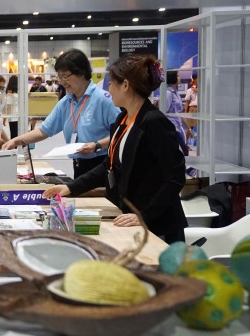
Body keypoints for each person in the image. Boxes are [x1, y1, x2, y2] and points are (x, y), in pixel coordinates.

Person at [44, 54, 187, 244]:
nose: (108, 90)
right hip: (130, 219)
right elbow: (109, 166)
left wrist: (145, 215)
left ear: (125, 85)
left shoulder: (154, 122)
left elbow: (175, 177)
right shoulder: (123, 119)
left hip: (156, 226)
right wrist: (71, 187)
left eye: (111, 84)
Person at [3, 49, 121, 178]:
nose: (62, 81)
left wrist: (97, 145)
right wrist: (15, 141)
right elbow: (43, 131)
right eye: (60, 77)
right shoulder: (66, 102)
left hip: (103, 164)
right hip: (79, 165)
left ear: (82, 72)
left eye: (65, 76)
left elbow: (121, 133)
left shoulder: (103, 99)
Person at [162, 70, 189, 156]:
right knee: (184, 151)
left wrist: (189, 128)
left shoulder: (176, 93)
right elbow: (164, 111)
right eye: (177, 76)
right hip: (172, 128)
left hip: (178, 127)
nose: (179, 77)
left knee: (183, 151)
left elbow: (179, 112)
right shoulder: (168, 93)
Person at [5, 74, 19, 138]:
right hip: (21, 115)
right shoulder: (21, 92)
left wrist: (5, 118)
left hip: (13, 116)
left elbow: (8, 105)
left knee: (14, 135)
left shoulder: (9, 93)